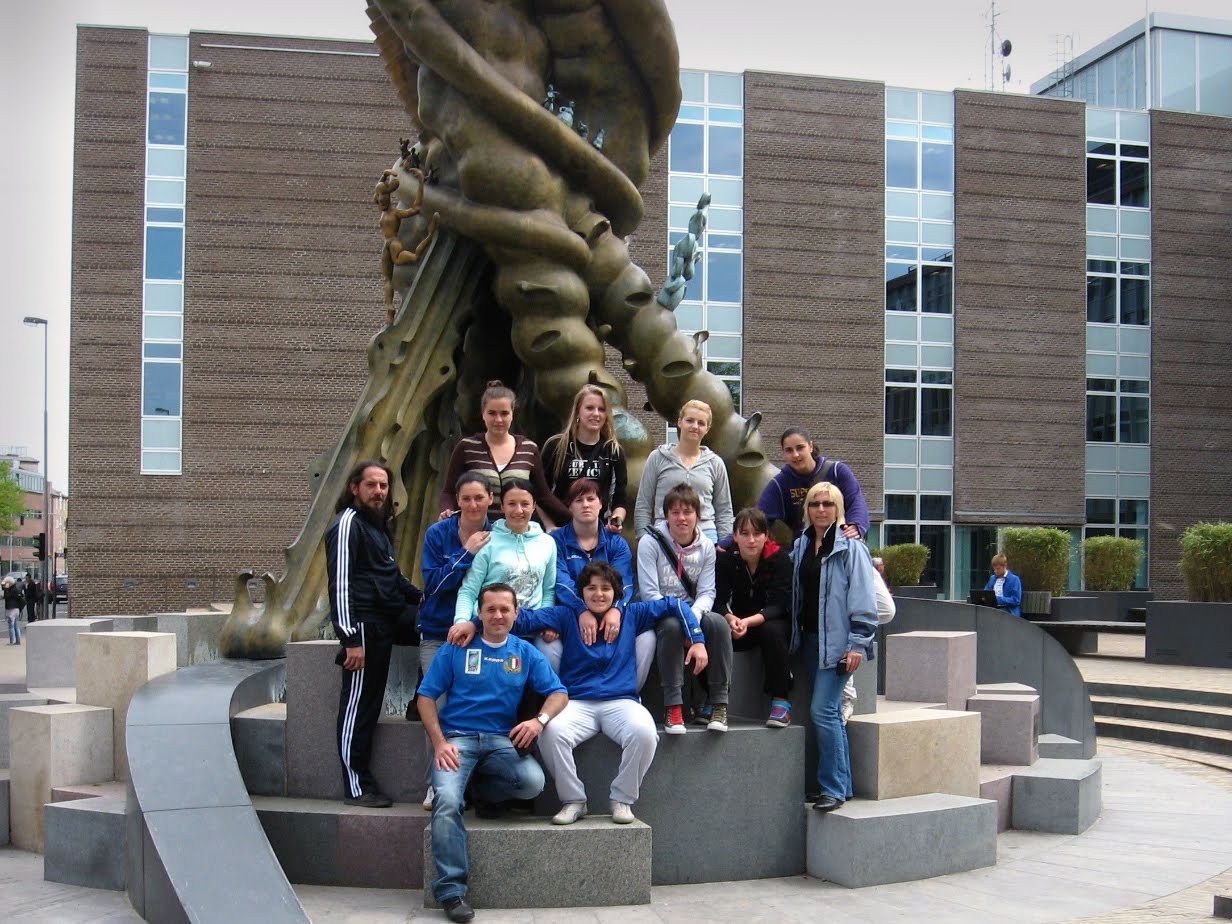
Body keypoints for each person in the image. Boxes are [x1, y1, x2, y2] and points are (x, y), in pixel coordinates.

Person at [417, 583, 568, 923]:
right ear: (480, 613)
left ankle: (482, 791)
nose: (498, 615)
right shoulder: (458, 647)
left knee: (532, 782)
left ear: (516, 613)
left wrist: (539, 721)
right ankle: (451, 890)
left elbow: (559, 693)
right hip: (458, 739)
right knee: (446, 801)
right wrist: (440, 743)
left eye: (504, 609)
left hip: (501, 741)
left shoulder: (525, 652)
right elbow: (425, 697)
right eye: (491, 609)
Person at [513, 561, 705, 826]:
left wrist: (697, 640)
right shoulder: (566, 615)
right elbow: (523, 619)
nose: (598, 594)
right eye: (591, 588)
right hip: (576, 702)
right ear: (581, 593)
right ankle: (573, 800)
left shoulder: (632, 613)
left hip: (621, 701)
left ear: (616, 593)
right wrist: (474, 624)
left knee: (645, 733)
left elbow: (676, 605)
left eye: (605, 588)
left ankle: (622, 799)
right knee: (551, 732)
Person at [326, 460, 422, 808]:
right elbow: (340, 584)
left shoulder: (378, 526)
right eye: (371, 485)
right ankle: (356, 786)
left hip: (389, 616)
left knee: (434, 627)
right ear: (355, 488)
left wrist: (423, 598)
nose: (379, 492)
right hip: (364, 626)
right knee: (360, 707)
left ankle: (419, 702)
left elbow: (391, 575)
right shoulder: (347, 524)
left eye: (383, 485)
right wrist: (350, 639)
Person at [790, 481, 878, 813]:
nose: (821, 509)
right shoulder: (801, 545)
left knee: (823, 711)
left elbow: (865, 600)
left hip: (840, 646)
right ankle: (843, 785)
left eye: (828, 504)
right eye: (815, 504)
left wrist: (857, 644)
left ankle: (832, 788)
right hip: (810, 642)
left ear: (838, 509)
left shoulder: (852, 548)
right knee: (831, 714)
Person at [415, 471, 494, 810]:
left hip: (479, 635)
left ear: (490, 499)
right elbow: (433, 584)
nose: (473, 505)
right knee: (438, 706)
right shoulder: (439, 533)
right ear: (457, 501)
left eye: (479, 497)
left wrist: (475, 623)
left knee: (472, 709)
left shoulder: (498, 534)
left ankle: (471, 786)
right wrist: (465, 553)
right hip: (437, 633)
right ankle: (436, 784)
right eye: (466, 499)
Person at [637, 484, 733, 734]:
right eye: (675, 512)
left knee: (718, 623)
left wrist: (692, 621)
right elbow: (650, 594)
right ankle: (673, 705)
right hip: (661, 612)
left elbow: (707, 592)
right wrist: (687, 624)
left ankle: (719, 703)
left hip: (693, 611)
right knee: (671, 626)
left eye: (688, 512)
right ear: (666, 515)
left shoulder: (707, 547)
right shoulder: (650, 542)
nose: (682, 518)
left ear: (697, 516)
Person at [549, 479, 649, 684]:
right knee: (546, 644)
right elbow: (561, 582)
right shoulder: (556, 541)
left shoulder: (616, 543)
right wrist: (581, 610)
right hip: (571, 617)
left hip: (611, 616)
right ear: (569, 506)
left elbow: (625, 583)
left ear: (601, 504)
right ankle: (560, 693)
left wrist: (617, 609)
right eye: (578, 500)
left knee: (648, 637)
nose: (585, 505)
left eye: (591, 499)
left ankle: (630, 692)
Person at [439, 380, 570, 528]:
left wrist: (574, 520)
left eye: (504, 413)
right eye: (492, 413)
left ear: (512, 414)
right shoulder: (466, 448)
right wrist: (446, 510)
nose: (498, 420)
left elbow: (543, 496)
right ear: (483, 414)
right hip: (477, 532)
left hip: (516, 533)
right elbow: (449, 492)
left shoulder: (529, 449)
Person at [715, 508, 794, 728]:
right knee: (713, 627)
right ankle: (713, 700)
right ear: (735, 536)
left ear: (766, 536)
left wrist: (748, 622)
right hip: (735, 623)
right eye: (745, 533)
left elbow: (779, 605)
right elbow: (717, 600)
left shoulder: (780, 559)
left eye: (757, 533)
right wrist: (730, 619)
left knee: (773, 631)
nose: (751, 540)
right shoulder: (725, 560)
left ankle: (781, 701)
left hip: (767, 622)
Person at [452, 479, 557, 627]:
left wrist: (545, 622)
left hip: (532, 625)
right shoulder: (487, 541)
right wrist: (461, 622)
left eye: (525, 504)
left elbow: (548, 590)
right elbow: (469, 590)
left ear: (534, 506)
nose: (518, 510)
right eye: (511, 504)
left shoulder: (547, 543)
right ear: (502, 506)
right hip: (490, 625)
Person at [634, 399, 733, 541]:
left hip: (706, 535)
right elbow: (643, 504)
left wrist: (723, 544)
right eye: (690, 420)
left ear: (707, 429)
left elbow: (724, 510)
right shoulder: (657, 458)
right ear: (679, 422)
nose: (695, 426)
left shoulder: (715, 463)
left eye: (701, 423)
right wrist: (644, 539)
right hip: (665, 535)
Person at [542, 384, 628, 531]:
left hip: (596, 530)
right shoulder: (556, 446)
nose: (596, 414)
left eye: (601, 409)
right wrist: (549, 526)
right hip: (560, 529)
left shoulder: (613, 451)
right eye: (589, 408)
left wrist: (616, 519)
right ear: (577, 411)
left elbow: (620, 498)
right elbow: (540, 492)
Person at [758, 427, 870, 539]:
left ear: (810, 446)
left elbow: (855, 501)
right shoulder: (780, 483)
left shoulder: (837, 471)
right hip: (804, 546)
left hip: (840, 542)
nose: (795, 455)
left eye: (800, 448)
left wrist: (856, 526)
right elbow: (760, 517)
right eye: (789, 450)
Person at [3, 577, 24, 646]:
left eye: (6, 583)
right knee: (16, 625)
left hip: (11, 608)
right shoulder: (16, 589)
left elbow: (6, 597)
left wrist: (6, 589)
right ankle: (18, 640)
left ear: (9, 583)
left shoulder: (11, 590)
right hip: (16, 609)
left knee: (11, 625)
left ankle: (12, 641)